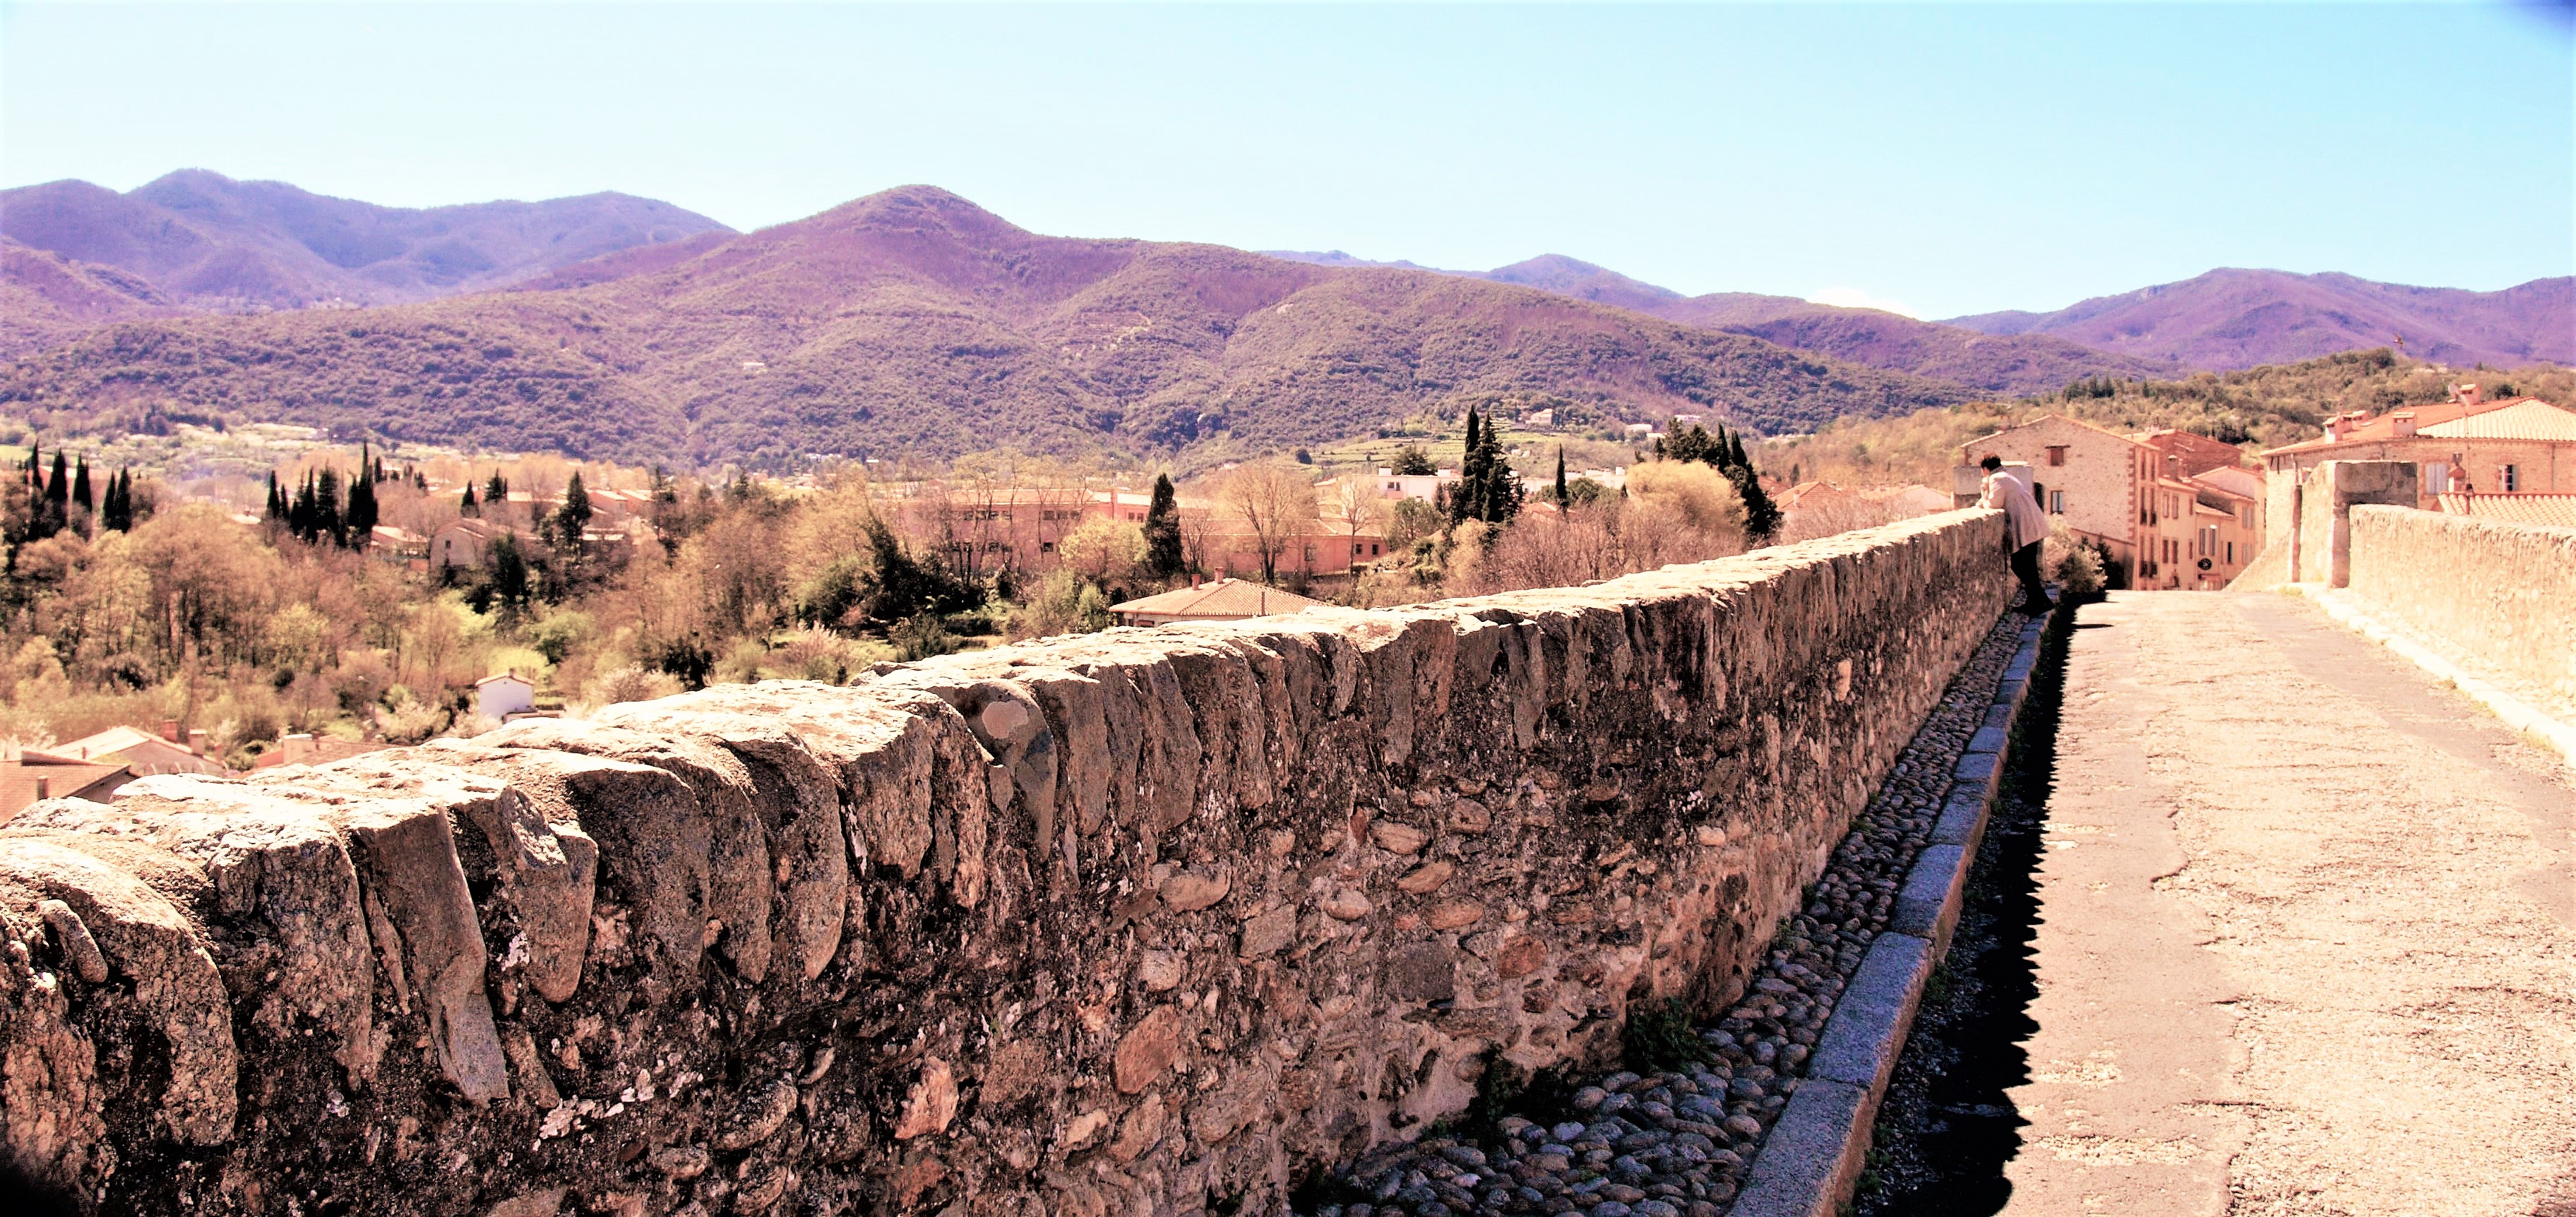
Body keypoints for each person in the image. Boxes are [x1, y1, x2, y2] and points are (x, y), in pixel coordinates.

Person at [1979, 454, 2056, 614]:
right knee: (2027, 566)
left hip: (2026, 526)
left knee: (2021, 564)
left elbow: (1993, 505)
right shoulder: (2006, 476)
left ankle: (2039, 601)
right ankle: (2039, 601)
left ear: (1986, 469)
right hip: (2030, 524)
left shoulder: (1997, 478)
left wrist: (1983, 491)